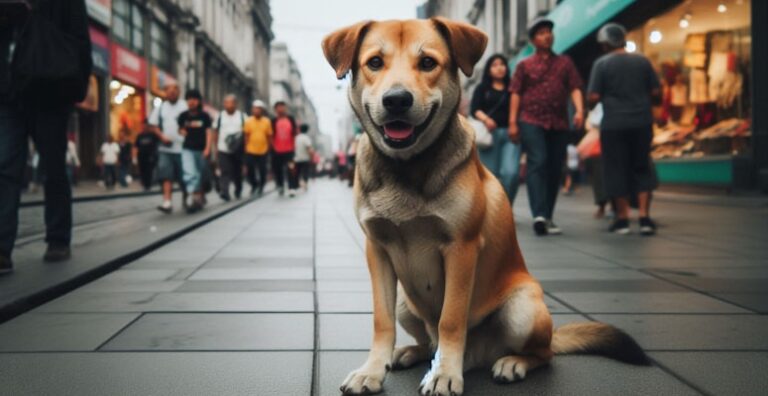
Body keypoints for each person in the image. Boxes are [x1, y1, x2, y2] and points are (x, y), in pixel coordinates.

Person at [1, 0, 92, 273]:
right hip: (8, 92)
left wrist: (76, 88)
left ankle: (58, 238)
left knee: (53, 168)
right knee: (5, 167)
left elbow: (80, 40)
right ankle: (2, 248)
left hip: (49, 92)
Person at [509, 17, 584, 236]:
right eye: (541, 33)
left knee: (554, 168)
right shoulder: (524, 65)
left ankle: (547, 216)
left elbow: (575, 87)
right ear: (533, 40)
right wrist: (513, 122)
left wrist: (579, 110)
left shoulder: (565, 62)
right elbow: (515, 93)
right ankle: (538, 214)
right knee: (538, 161)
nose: (546, 36)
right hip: (531, 120)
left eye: (549, 32)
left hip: (559, 122)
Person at [587, 23, 661, 236]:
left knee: (615, 168)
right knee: (642, 166)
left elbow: (593, 97)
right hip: (642, 121)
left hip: (614, 124)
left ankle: (622, 219)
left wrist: (591, 106)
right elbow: (656, 92)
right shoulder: (642, 61)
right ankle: (645, 218)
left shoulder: (601, 64)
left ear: (605, 44)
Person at [471, 53, 521, 202]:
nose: (499, 68)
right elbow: (475, 109)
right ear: (489, 69)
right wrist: (486, 119)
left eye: (502, 64)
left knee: (511, 173)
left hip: (510, 134)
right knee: (489, 175)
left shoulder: (513, 88)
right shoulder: (482, 88)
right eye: (495, 65)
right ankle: (491, 208)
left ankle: (505, 206)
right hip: (489, 136)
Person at [148, 83, 185, 213]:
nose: (172, 93)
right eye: (169, 91)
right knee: (166, 175)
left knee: (184, 176)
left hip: (183, 149)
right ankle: (167, 202)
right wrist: (162, 136)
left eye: (175, 90)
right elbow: (153, 125)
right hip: (165, 149)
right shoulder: (161, 108)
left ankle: (186, 199)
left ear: (179, 92)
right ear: (165, 92)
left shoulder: (185, 106)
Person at [177, 89, 213, 213]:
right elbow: (180, 129)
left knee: (200, 173)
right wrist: (182, 131)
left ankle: (198, 195)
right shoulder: (183, 116)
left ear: (198, 101)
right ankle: (193, 196)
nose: (191, 102)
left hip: (201, 149)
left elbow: (209, 133)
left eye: (194, 99)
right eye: (189, 99)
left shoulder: (205, 116)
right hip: (187, 149)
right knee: (189, 172)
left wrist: (208, 148)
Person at [213, 94, 245, 201]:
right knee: (225, 171)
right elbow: (215, 132)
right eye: (226, 103)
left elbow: (247, 133)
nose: (229, 105)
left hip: (238, 150)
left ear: (236, 104)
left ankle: (238, 188)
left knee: (237, 172)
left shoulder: (242, 116)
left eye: (231, 103)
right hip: (223, 148)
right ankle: (225, 192)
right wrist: (216, 147)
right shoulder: (220, 116)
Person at [242, 99, 272, 196]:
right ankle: (254, 184)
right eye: (255, 109)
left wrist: (269, 148)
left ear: (262, 110)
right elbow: (246, 135)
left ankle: (261, 186)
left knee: (262, 170)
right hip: (250, 149)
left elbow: (269, 136)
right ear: (252, 110)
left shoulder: (267, 121)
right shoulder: (248, 121)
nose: (257, 111)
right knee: (250, 170)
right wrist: (245, 148)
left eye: (259, 109)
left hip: (263, 150)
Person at [271, 101, 298, 196]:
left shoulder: (290, 119)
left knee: (291, 169)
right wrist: (272, 147)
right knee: (277, 169)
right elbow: (271, 135)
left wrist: (295, 147)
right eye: (278, 107)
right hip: (277, 150)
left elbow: (295, 133)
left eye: (282, 107)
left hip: (289, 150)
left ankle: (292, 187)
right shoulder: (273, 121)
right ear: (275, 109)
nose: (281, 109)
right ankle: (280, 185)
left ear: (286, 108)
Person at [134, 118, 161, 190]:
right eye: (142, 125)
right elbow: (136, 146)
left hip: (150, 156)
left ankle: (148, 184)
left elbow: (158, 144)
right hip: (141, 156)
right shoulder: (139, 136)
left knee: (149, 170)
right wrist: (134, 157)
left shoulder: (152, 135)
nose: (144, 127)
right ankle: (144, 184)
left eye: (145, 125)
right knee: (142, 170)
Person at [294, 123, 314, 192]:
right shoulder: (306, 138)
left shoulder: (296, 137)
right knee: (305, 172)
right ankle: (305, 183)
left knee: (297, 173)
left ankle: (297, 184)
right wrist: (311, 157)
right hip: (305, 159)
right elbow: (310, 149)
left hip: (296, 159)